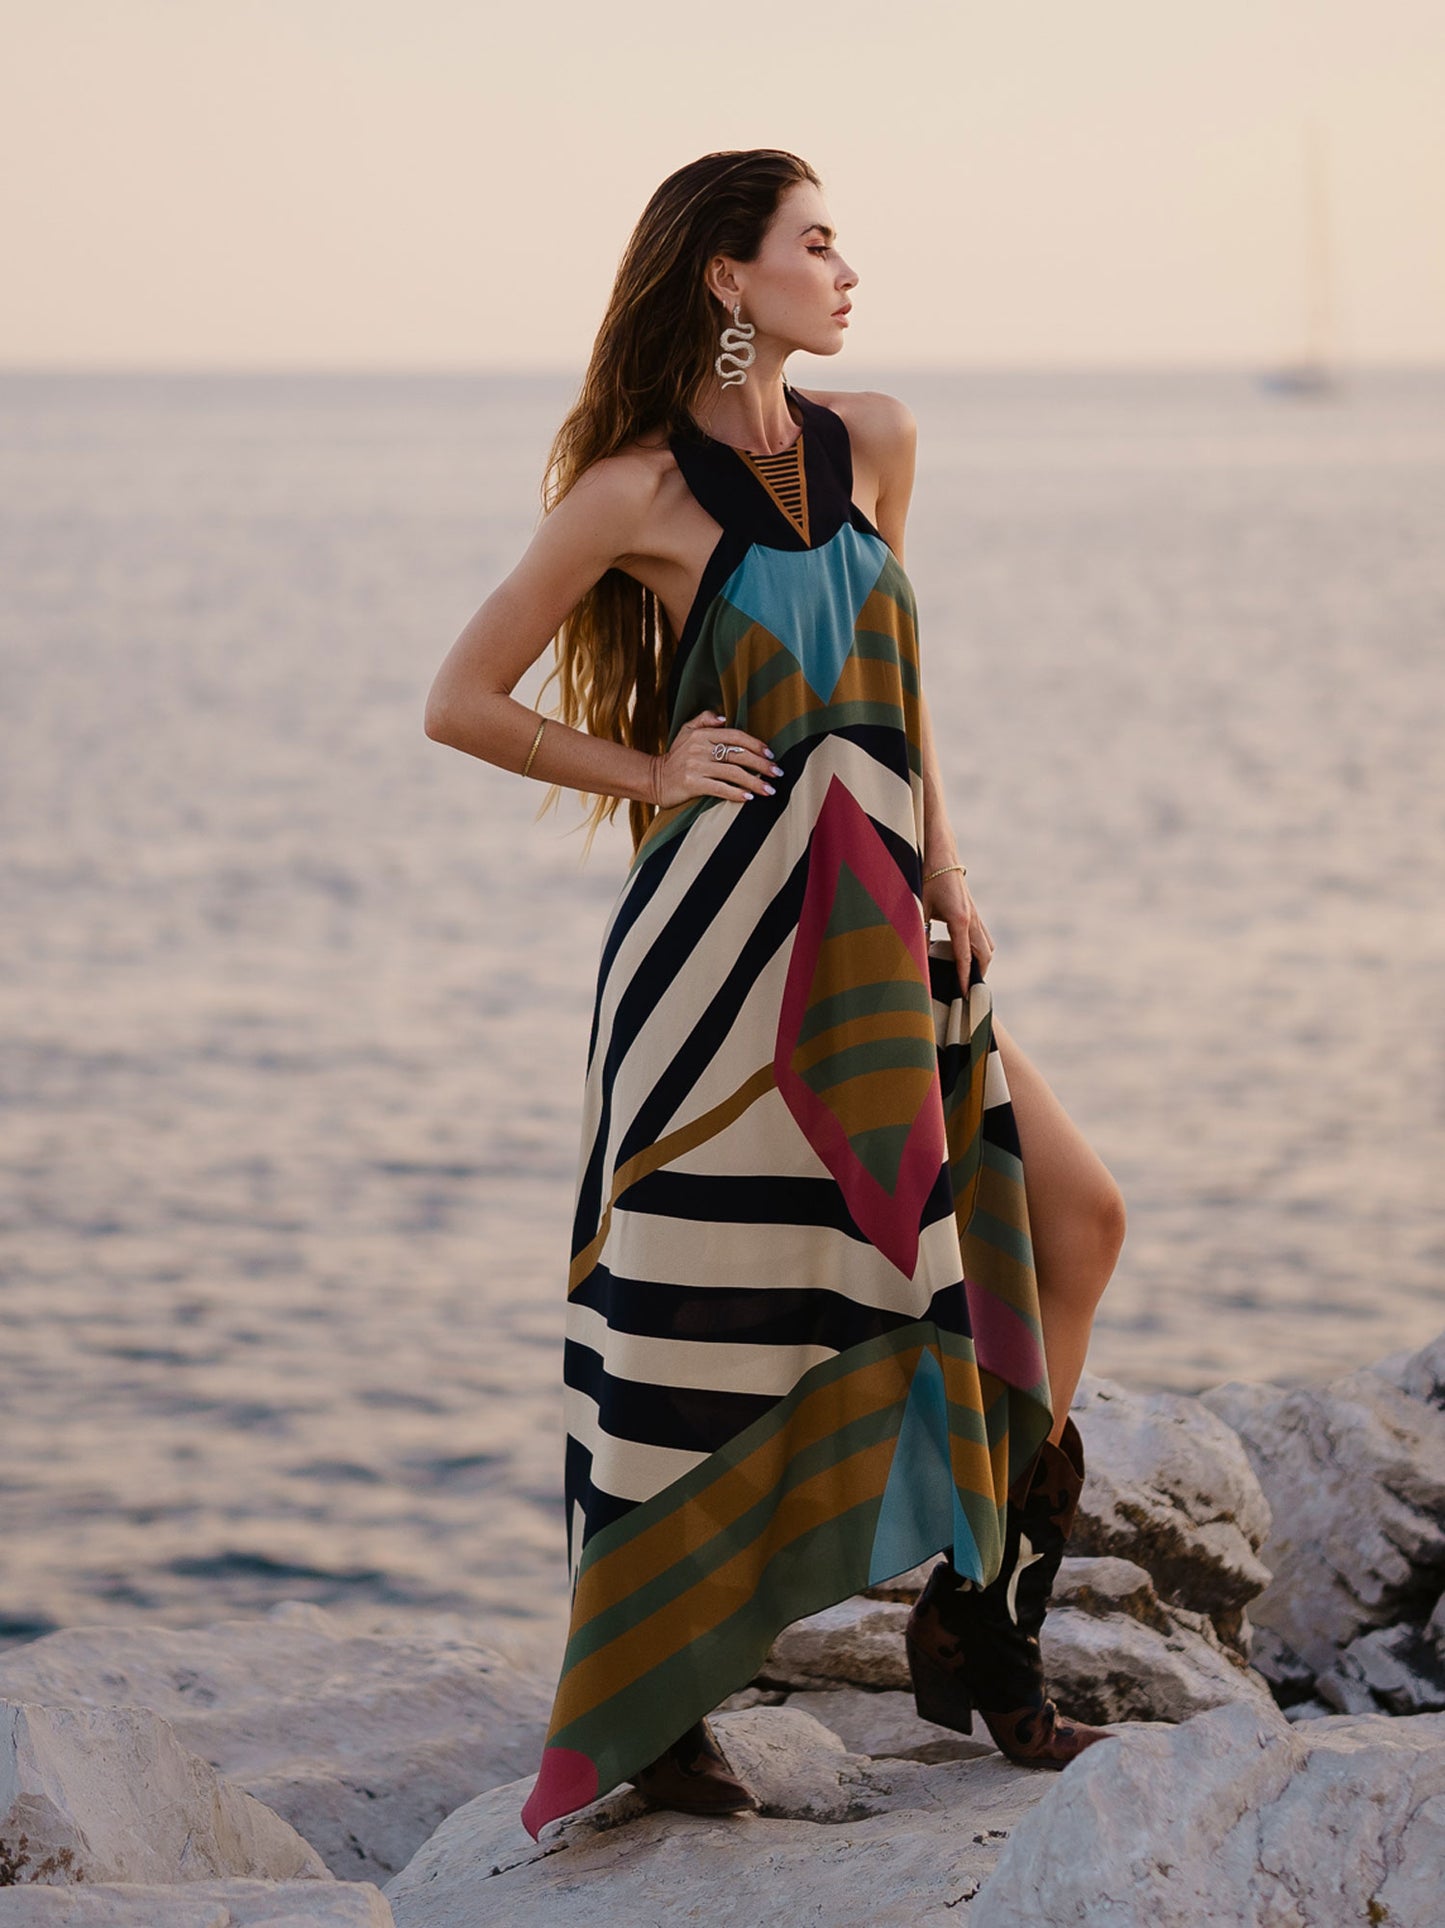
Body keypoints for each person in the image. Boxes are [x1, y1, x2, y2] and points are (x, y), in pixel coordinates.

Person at [424, 149, 1127, 1841]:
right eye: (814, 241)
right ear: (731, 281)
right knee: (688, 1339)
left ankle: (978, 1613)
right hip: (714, 977)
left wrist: (946, 865)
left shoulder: (873, 439)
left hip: (884, 935)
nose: (844, 266)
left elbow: (901, 683)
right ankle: (658, 1713)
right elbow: (459, 697)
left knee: (1076, 1221)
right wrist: (649, 765)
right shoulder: (631, 495)